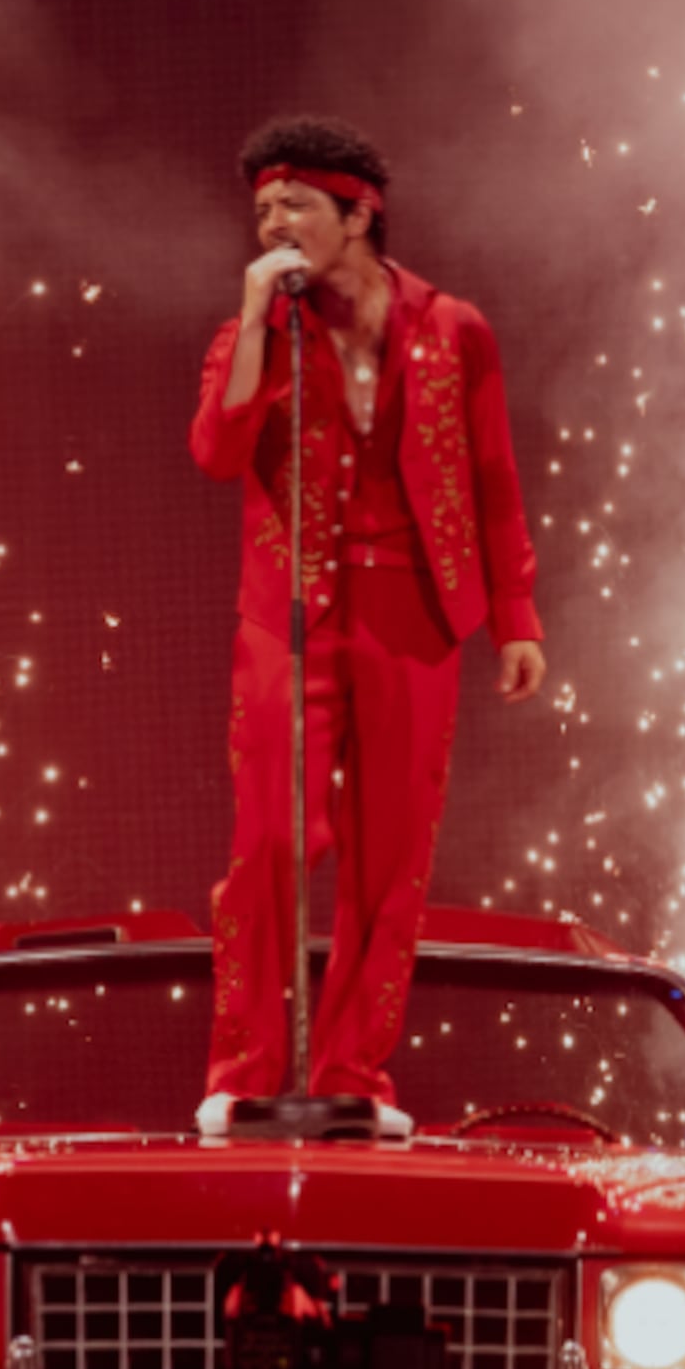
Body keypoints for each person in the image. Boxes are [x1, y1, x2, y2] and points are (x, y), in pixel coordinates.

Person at [190, 116, 544, 1136]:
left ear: (360, 214)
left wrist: (514, 613)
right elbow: (217, 453)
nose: (273, 224)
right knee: (269, 838)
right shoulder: (252, 332)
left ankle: (354, 1075)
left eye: (294, 204)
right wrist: (256, 318)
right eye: (261, 210)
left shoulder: (453, 329)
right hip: (287, 614)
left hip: (415, 609)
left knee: (393, 856)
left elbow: (492, 475)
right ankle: (244, 1070)